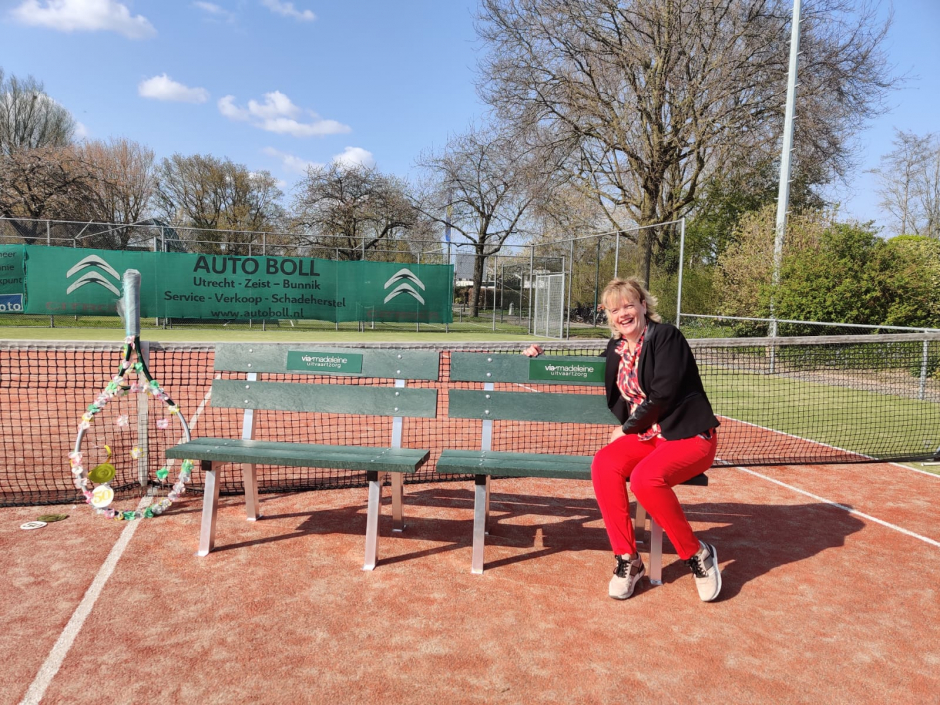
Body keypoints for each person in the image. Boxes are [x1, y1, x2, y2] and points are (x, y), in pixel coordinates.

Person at [524, 277, 722, 602]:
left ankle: (697, 553)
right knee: (604, 464)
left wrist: (627, 428)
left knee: (645, 479)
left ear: (644, 305)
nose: (623, 313)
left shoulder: (666, 337)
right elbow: (587, 368)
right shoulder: (616, 349)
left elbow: (663, 395)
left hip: (687, 436)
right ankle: (628, 560)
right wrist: (543, 356)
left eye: (629, 304)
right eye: (615, 309)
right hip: (649, 437)